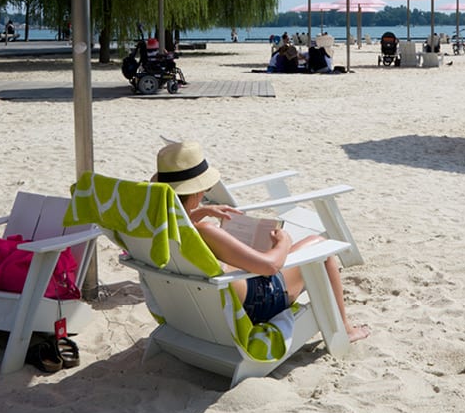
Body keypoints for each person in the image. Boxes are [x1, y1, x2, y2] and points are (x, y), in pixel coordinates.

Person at [153, 141, 370, 342]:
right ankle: (346, 329)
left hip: (192, 309)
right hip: (254, 304)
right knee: (319, 245)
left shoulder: (158, 227)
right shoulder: (206, 231)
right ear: (198, 190)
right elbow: (269, 266)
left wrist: (199, 212)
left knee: (255, 253)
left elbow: (182, 224)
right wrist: (282, 242)